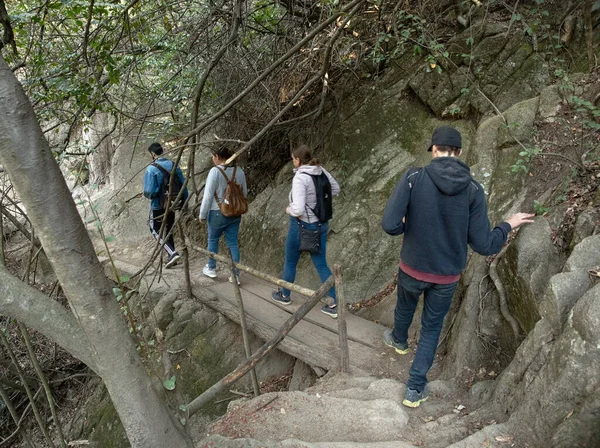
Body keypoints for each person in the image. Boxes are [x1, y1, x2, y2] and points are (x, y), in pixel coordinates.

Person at [381, 126, 534, 408]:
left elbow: (390, 224)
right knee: (430, 328)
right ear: (460, 153)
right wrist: (507, 225)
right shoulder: (474, 190)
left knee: (404, 306)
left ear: (434, 150)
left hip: (411, 268)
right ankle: (415, 389)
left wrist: (409, 223)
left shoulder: (414, 178)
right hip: (446, 276)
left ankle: (398, 341)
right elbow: (485, 245)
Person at [271, 145, 341, 318]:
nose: (292, 161)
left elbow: (298, 209)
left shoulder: (300, 178)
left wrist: (289, 210)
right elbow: (336, 189)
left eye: (293, 159)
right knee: (321, 264)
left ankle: (285, 295)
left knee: (290, 260)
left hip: (303, 226)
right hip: (321, 224)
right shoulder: (320, 170)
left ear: (297, 160)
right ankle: (334, 303)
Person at [199, 147, 248, 284]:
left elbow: (208, 196)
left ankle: (211, 268)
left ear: (217, 156)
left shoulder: (215, 172)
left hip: (216, 213)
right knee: (233, 243)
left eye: (212, 157)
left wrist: (202, 214)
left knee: (213, 240)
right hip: (235, 213)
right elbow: (244, 193)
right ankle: (235, 275)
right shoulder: (239, 171)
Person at [143, 142, 189, 268]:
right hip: (173, 203)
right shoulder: (173, 165)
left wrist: (147, 195)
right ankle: (171, 256)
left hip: (158, 204)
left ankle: (172, 253)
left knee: (154, 229)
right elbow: (183, 185)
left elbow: (150, 192)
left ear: (153, 154)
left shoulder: (151, 169)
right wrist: (185, 202)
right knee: (168, 229)